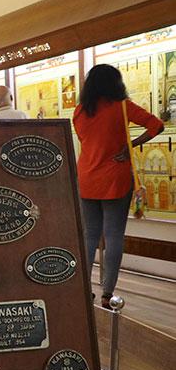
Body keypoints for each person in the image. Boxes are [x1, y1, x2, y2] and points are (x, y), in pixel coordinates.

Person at [73, 64, 163, 309]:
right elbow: (157, 126)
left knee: (89, 236)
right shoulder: (123, 107)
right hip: (115, 178)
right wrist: (130, 145)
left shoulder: (80, 111)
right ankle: (107, 293)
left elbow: (86, 141)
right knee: (113, 236)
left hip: (87, 179)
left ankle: (82, 289)